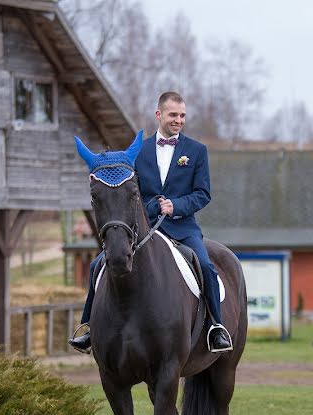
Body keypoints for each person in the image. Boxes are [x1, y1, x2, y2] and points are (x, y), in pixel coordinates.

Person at [69, 91, 233, 354]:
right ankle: (88, 327)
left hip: (182, 228)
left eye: (182, 116)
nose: (178, 120)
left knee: (204, 263)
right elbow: (130, 195)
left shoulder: (196, 151)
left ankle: (216, 327)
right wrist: (152, 207)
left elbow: (203, 194)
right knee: (96, 265)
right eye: (173, 115)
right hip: (143, 230)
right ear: (159, 115)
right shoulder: (137, 152)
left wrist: (175, 206)